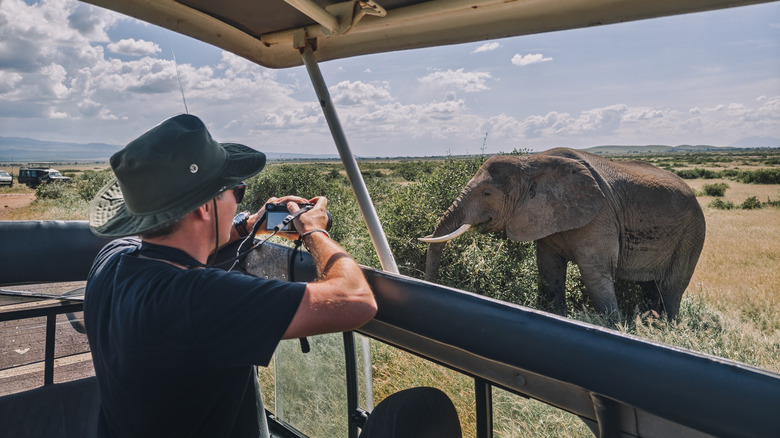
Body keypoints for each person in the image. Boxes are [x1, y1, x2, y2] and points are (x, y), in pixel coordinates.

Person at [84, 114, 377, 437]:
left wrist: (247, 225)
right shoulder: (200, 300)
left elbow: (180, 250)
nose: (237, 200)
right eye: (235, 192)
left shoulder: (111, 261)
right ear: (203, 208)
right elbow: (356, 299)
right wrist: (314, 230)